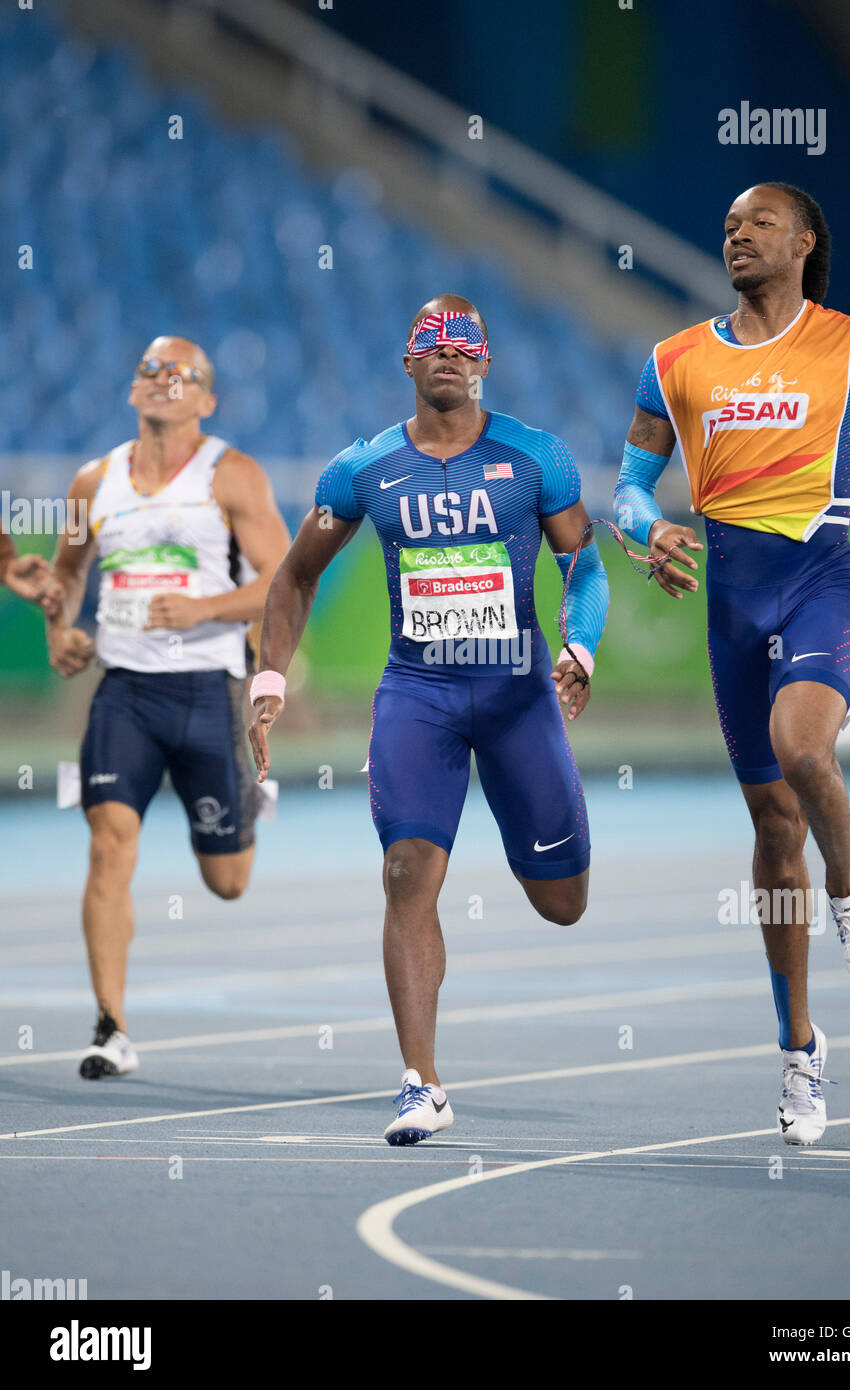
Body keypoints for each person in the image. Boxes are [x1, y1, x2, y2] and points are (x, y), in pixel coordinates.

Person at [614, 183, 850, 1145]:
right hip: (731, 603)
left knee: (803, 752)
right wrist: (648, 530)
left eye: (759, 223)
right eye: (727, 225)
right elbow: (632, 486)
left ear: (805, 239)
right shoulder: (673, 360)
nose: (738, 234)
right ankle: (801, 1055)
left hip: (822, 581)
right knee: (771, 833)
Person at [249, 294, 609, 1145]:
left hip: (519, 695)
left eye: (465, 342)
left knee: (563, 903)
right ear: (408, 362)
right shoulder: (363, 469)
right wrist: (270, 672)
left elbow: (583, 565)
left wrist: (581, 646)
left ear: (485, 363)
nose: (449, 352)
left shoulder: (535, 458)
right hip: (419, 694)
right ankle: (422, 1084)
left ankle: (540, 869)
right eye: (431, 341)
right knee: (409, 872)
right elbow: (295, 576)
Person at [46, 336, 291, 1078]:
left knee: (228, 882)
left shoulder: (233, 475)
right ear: (132, 391)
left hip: (207, 692)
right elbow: (65, 575)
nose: (163, 380)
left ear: (206, 400)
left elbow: (283, 583)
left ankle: (247, 800)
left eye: (181, 373)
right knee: (108, 844)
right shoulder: (94, 482)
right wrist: (62, 632)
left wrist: (204, 608)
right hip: (124, 694)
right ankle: (110, 1027)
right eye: (150, 370)